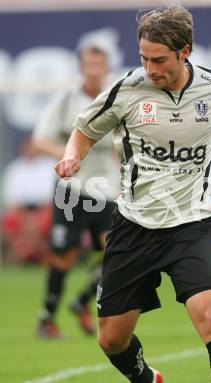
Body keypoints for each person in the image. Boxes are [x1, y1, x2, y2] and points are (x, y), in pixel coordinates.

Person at [54, 6, 211, 383]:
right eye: (144, 59)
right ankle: (148, 379)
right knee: (112, 341)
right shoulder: (128, 90)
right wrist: (72, 157)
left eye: (159, 60)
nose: (151, 68)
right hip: (135, 225)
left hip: (190, 224)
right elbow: (84, 130)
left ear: (185, 51)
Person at [32, 42, 119, 338]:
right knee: (65, 256)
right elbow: (39, 140)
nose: (94, 71)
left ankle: (82, 301)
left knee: (116, 251)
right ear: (81, 68)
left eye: (99, 65)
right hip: (71, 188)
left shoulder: (115, 99)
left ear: (106, 68)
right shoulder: (66, 101)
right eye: (88, 65)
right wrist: (69, 152)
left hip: (106, 188)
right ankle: (47, 317)